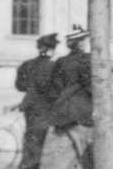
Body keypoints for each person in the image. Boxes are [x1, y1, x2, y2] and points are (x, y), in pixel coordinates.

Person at [40, 25, 93, 168]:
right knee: (87, 158)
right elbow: (92, 89)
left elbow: (53, 90)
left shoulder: (61, 62)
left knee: (64, 160)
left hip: (62, 115)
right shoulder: (88, 60)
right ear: (81, 42)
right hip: (82, 116)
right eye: (85, 40)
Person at [15, 32, 58, 169]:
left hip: (29, 107)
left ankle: (28, 164)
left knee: (31, 138)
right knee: (39, 141)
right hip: (45, 108)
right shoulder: (53, 66)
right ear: (51, 49)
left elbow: (20, 86)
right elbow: (54, 90)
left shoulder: (26, 64)